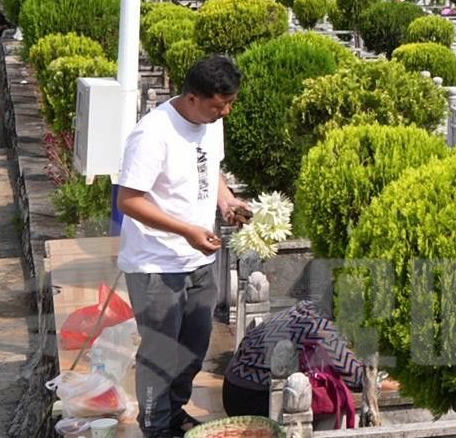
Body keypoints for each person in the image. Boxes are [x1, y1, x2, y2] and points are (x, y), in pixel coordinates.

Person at [116, 56, 251, 438]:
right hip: (156, 263)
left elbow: (211, 170)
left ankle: (175, 414)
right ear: (192, 98)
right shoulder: (153, 133)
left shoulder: (211, 122)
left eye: (229, 103)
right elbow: (129, 200)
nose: (224, 111)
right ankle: (155, 426)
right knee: (160, 352)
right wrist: (186, 230)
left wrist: (227, 202)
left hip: (198, 259)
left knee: (193, 348)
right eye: (218, 105)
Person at [220, 299, 369, 422]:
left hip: (232, 382)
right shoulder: (320, 327)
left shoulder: (305, 307)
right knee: (331, 396)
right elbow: (358, 378)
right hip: (252, 396)